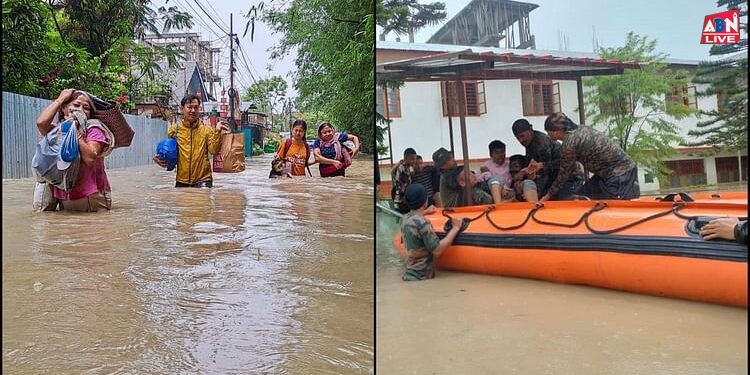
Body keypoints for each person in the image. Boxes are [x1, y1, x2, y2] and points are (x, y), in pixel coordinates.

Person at [35, 88, 113, 212]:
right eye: (76, 105)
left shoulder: (94, 129)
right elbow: (41, 123)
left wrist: (76, 132)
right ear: (64, 108)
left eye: (86, 108)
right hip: (66, 195)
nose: (80, 110)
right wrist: (60, 99)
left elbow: (90, 158)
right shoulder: (58, 130)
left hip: (91, 197)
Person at [540, 112, 640, 201]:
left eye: (548, 132)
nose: (548, 136)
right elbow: (567, 162)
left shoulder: (569, 144)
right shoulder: (582, 129)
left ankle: (630, 190)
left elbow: (563, 174)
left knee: (612, 209)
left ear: (556, 131)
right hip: (606, 174)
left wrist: (547, 196)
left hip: (620, 173)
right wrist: (542, 165)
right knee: (579, 198)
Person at [153, 94, 230, 187]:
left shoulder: (207, 130)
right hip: (181, 180)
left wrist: (217, 131)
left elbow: (213, 151)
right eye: (190, 107)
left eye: (196, 108)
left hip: (203, 180)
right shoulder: (175, 130)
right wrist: (160, 158)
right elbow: (169, 151)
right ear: (182, 109)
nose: (193, 111)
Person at [401, 183, 463, 281]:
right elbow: (437, 250)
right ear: (425, 201)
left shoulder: (404, 219)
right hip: (422, 277)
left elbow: (415, 220)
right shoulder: (423, 223)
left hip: (410, 275)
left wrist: (424, 212)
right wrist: (455, 228)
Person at [512, 118, 583, 200]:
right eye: (517, 138)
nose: (521, 140)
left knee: (564, 205)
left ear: (531, 130)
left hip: (570, 177)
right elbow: (532, 168)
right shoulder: (529, 143)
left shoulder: (542, 143)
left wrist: (538, 191)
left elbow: (546, 172)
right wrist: (523, 174)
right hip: (556, 179)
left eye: (522, 136)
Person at [391, 148, 418, 212]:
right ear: (405, 158)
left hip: (406, 199)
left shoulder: (410, 168)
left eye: (415, 159)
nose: (414, 161)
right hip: (402, 201)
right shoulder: (402, 169)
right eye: (412, 159)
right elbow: (401, 187)